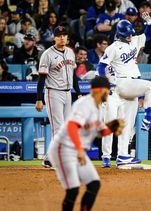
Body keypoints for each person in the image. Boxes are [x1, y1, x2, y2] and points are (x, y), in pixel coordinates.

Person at [48, 76, 124, 211]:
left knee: (94, 184)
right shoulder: (84, 104)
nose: (109, 92)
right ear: (100, 90)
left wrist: (112, 128)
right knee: (73, 189)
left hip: (76, 150)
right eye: (108, 89)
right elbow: (72, 126)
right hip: (63, 149)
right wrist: (79, 150)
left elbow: (99, 133)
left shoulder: (99, 108)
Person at [97, 13, 151, 166]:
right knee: (110, 123)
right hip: (118, 86)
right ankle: (106, 157)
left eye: (130, 34)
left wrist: (148, 22)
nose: (129, 36)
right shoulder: (113, 47)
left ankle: (122, 156)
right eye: (126, 34)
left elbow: (150, 34)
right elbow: (101, 66)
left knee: (126, 125)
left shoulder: (134, 40)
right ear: (119, 34)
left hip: (131, 86)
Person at [35, 25, 81, 168]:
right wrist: (38, 98)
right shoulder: (47, 54)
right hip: (53, 92)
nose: (62, 37)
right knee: (58, 127)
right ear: (54, 37)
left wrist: (78, 93)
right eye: (59, 35)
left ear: (67, 37)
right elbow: (41, 79)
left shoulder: (70, 52)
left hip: (68, 93)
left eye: (64, 35)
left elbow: (73, 75)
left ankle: (49, 158)